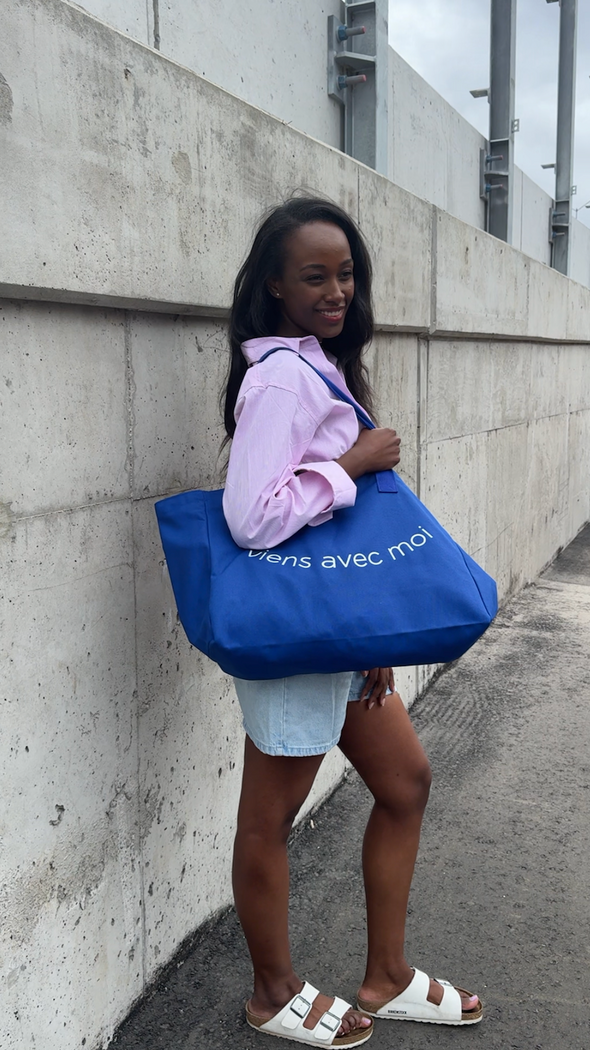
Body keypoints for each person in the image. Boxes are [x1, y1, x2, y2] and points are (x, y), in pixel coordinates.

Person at [220, 197, 482, 1047]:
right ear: (275, 286)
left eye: (346, 273)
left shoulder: (318, 364)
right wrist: (351, 461)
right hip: (296, 636)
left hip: (338, 628)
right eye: (315, 276)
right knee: (269, 820)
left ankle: (387, 975)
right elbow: (252, 518)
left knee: (404, 783)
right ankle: (272, 992)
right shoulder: (279, 378)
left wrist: (372, 636)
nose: (337, 290)